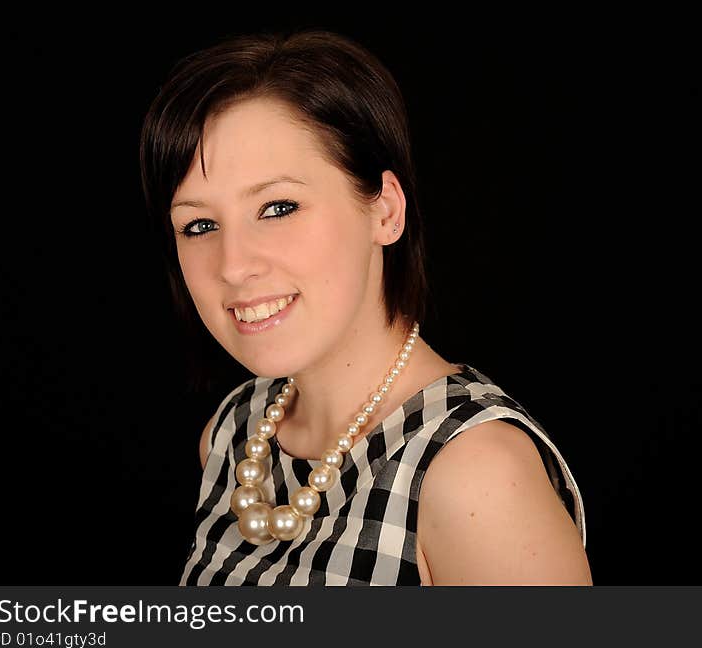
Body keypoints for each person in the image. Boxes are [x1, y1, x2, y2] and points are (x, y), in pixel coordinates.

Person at [139, 28, 591, 586]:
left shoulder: (473, 473)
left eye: (278, 207)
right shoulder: (232, 432)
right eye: (199, 225)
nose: (232, 265)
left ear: (385, 212)